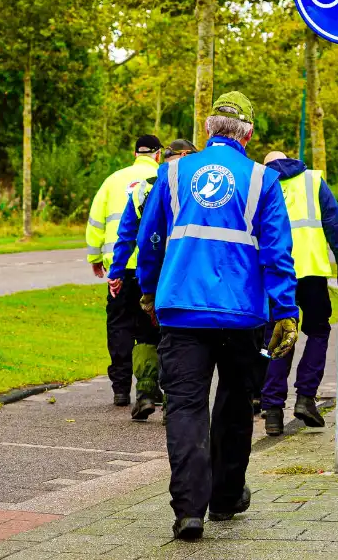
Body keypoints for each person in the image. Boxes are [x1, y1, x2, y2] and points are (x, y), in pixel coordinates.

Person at [136, 91, 299, 540]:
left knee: (185, 407)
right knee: (233, 405)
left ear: (209, 130)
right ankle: (226, 498)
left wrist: (149, 292)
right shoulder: (263, 180)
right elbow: (278, 254)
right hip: (242, 314)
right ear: (248, 134)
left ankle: (189, 510)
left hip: (182, 310)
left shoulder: (171, 172)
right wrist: (285, 310)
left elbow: (150, 240)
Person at [108, 139, 198, 421]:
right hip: (182, 275)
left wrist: (116, 272)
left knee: (145, 336)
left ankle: (145, 394)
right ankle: (173, 400)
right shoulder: (193, 189)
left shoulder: (142, 188)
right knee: (177, 337)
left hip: (146, 273)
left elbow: (126, 235)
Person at [259, 150, 338, 437]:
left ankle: (272, 412)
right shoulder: (313, 181)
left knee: (277, 334)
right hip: (311, 272)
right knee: (318, 332)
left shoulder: (260, 183)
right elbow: (337, 229)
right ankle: (306, 398)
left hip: (274, 274)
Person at [86, 134, 162, 407]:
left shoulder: (113, 180)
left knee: (118, 325)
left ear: (134, 153)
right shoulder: (163, 179)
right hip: (151, 267)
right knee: (150, 329)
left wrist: (95, 257)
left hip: (118, 268)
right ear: (158, 154)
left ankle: (120, 388)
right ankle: (150, 386)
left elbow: (95, 222)